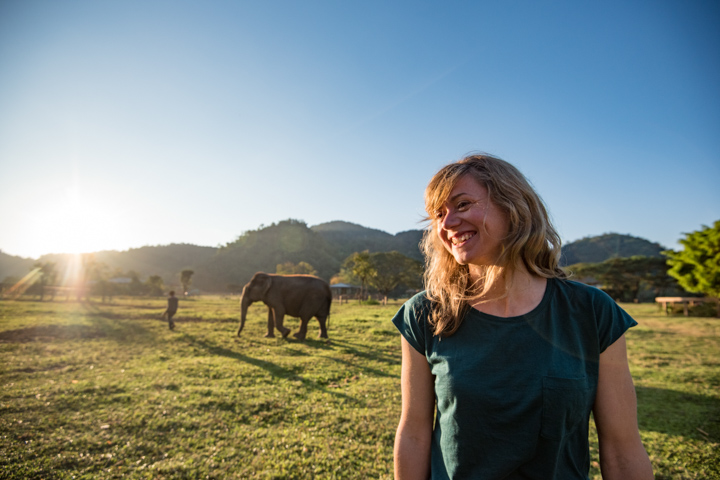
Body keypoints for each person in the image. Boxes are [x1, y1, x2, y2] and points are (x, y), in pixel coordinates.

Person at [392, 154, 654, 479]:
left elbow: (621, 447)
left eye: (462, 205)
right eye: (438, 214)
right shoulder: (424, 314)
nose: (446, 225)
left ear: (513, 206)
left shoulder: (593, 312)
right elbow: (414, 433)